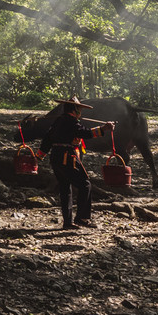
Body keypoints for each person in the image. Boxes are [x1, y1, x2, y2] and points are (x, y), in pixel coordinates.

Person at [35, 95, 114, 229]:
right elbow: (84, 133)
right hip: (67, 158)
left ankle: (68, 222)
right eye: (79, 110)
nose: (81, 113)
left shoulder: (58, 121)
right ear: (75, 110)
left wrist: (39, 157)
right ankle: (82, 218)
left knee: (65, 188)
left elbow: (47, 140)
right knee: (85, 185)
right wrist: (103, 129)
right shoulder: (70, 122)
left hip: (55, 158)